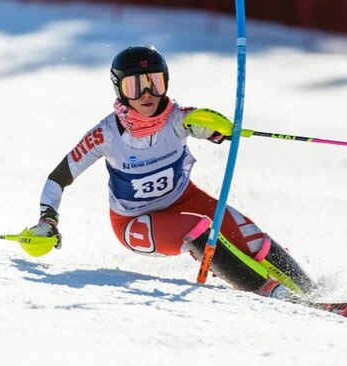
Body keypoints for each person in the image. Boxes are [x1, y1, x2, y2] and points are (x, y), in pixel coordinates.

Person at [29, 45, 315, 300]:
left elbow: (207, 122)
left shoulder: (178, 118)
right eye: (135, 86)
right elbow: (58, 178)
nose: (147, 94)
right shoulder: (105, 134)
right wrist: (48, 220)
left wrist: (217, 130)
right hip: (135, 221)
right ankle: (277, 296)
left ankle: (313, 292)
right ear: (119, 90)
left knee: (252, 238)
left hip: (184, 199)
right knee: (197, 228)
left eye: (155, 82)